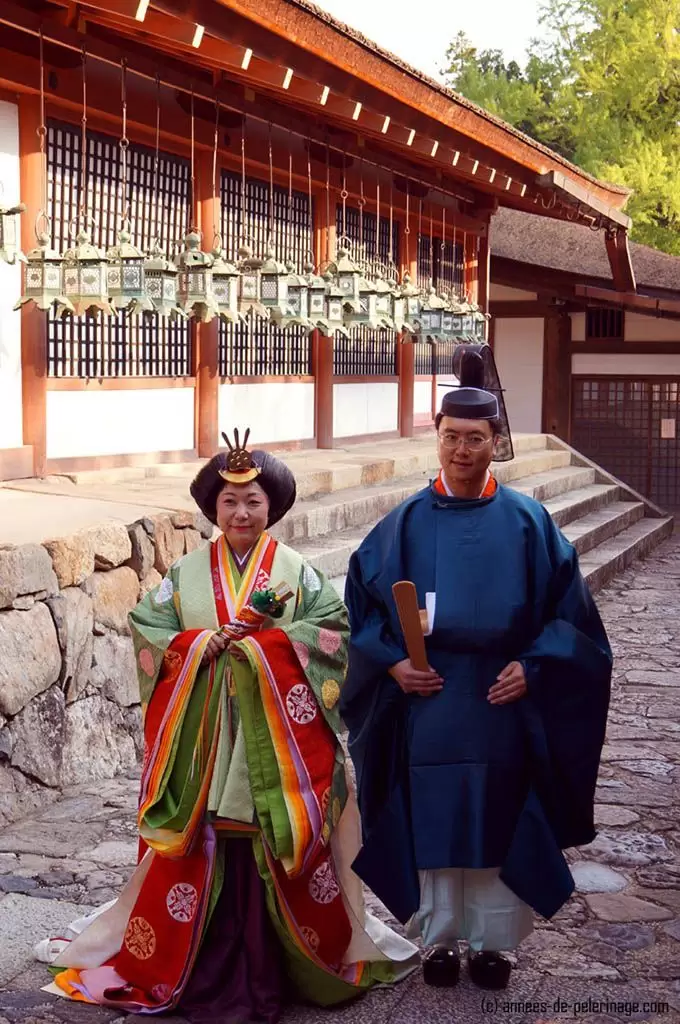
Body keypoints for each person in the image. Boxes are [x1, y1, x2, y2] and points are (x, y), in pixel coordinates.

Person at [37, 429, 418, 1021]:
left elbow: (331, 631)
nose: (241, 512)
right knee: (201, 840)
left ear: (273, 507)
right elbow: (149, 631)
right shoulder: (186, 574)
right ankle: (194, 960)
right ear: (213, 509)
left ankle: (285, 962)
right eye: (229, 503)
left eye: (254, 502)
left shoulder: (295, 572)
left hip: (273, 740)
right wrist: (196, 647)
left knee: (272, 836)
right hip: (207, 737)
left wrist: (263, 651)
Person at [340, 345, 612, 992]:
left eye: (477, 439)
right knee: (431, 815)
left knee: (500, 815)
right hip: (429, 703)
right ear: (435, 438)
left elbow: (572, 619)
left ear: (497, 442)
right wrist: (394, 664)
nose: (462, 451)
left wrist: (535, 665)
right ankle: (436, 941)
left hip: (503, 700)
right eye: (451, 437)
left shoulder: (529, 524)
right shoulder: (399, 527)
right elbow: (361, 613)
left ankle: (495, 945)